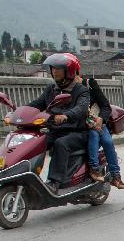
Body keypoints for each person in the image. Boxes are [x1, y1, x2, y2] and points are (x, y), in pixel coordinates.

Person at [27, 53, 90, 190]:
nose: (54, 71)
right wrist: (19, 112)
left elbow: (82, 109)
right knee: (34, 142)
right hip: (55, 130)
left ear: (69, 71)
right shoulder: (51, 89)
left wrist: (66, 115)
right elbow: (37, 104)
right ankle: (25, 175)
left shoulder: (81, 90)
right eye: (53, 68)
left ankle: (54, 182)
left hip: (76, 133)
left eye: (59, 68)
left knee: (61, 143)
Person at [75, 62, 124, 189]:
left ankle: (116, 176)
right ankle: (94, 169)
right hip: (83, 125)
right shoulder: (66, 89)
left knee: (108, 142)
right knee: (93, 135)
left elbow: (105, 106)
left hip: (96, 122)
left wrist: (100, 120)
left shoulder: (90, 84)